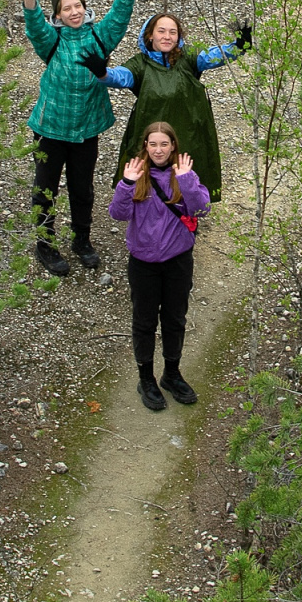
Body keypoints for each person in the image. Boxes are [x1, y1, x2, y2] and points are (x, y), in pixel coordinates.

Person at [13, 0, 138, 277]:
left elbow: (119, 18)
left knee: (82, 189)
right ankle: (45, 244)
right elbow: (35, 27)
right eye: (66, 8)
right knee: (46, 189)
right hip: (50, 129)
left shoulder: (99, 36)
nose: (74, 12)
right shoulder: (51, 41)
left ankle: (82, 240)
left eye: (78, 5)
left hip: (87, 130)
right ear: (57, 15)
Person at [82, 12, 251, 203]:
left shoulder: (188, 58)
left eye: (173, 32)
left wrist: (238, 46)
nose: (167, 36)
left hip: (187, 135)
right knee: (148, 188)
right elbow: (120, 77)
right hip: (152, 138)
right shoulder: (140, 65)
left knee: (185, 184)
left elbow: (213, 55)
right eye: (161, 31)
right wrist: (102, 72)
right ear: (150, 35)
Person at [108, 121, 210, 412]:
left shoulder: (184, 175)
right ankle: (146, 378)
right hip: (143, 263)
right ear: (146, 146)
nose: (158, 150)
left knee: (175, 318)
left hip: (178, 260)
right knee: (144, 321)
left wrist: (188, 180)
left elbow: (201, 209)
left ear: (173, 146)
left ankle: (172, 374)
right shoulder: (137, 175)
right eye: (153, 144)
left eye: (164, 144)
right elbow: (118, 213)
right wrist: (126, 184)